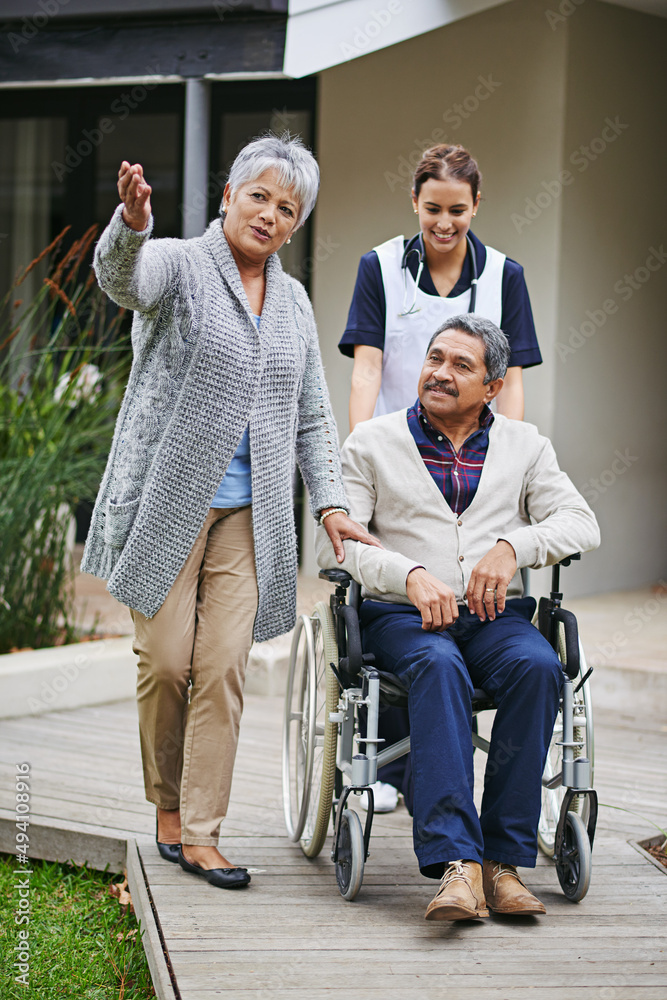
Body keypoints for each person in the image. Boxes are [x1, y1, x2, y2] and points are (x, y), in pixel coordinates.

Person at [82, 134, 377, 890]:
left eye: (288, 208)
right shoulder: (180, 264)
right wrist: (133, 221)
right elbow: (123, 279)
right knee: (167, 663)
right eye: (260, 197)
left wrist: (333, 505)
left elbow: (311, 416)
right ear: (227, 197)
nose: (271, 216)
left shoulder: (293, 301)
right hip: (168, 503)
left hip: (252, 516)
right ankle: (166, 803)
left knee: (220, 670)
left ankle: (201, 831)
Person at [316, 314, 600, 920]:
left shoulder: (527, 447)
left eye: (460, 365)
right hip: (402, 618)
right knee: (438, 666)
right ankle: (457, 866)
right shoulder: (372, 441)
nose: (440, 373)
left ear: (492, 387)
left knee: (538, 665)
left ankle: (502, 861)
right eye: (434, 358)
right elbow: (336, 545)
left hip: (494, 616)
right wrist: (409, 574)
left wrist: (512, 547)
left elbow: (582, 523)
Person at [341, 144, 542, 813]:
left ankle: (489, 791)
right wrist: (359, 453)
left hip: (471, 452)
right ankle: (390, 770)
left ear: (476, 206)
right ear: (415, 203)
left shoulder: (504, 275)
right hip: (397, 457)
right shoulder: (379, 267)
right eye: (432, 209)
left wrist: (502, 463)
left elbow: (508, 381)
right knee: (403, 593)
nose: (444, 223)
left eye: (457, 210)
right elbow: (367, 367)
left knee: (469, 606)